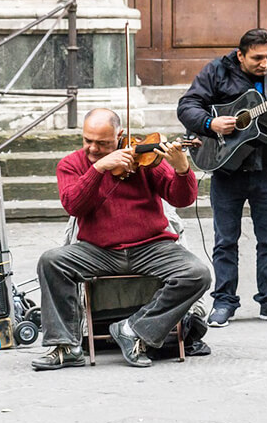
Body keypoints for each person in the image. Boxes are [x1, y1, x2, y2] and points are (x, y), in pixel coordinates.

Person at [31, 108, 211, 370]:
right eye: (87, 141)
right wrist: (100, 167)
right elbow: (74, 205)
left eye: (103, 143)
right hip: (97, 250)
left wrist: (183, 170)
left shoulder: (146, 159)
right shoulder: (71, 164)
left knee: (198, 273)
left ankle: (133, 329)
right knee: (51, 261)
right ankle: (66, 346)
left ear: (120, 136)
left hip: (152, 247)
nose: (93, 148)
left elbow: (182, 199)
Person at [176, 28, 267, 328]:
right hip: (227, 169)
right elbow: (187, 107)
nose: (265, 63)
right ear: (241, 55)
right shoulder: (216, 72)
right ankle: (224, 301)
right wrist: (211, 123)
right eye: (257, 58)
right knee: (225, 241)